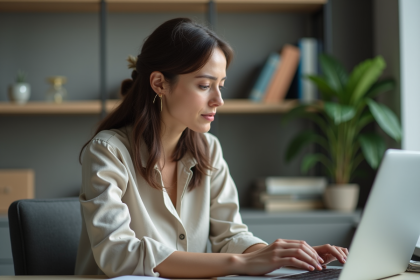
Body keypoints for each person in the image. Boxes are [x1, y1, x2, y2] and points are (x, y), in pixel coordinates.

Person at [74, 17, 348, 278]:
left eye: (221, 86)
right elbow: (118, 253)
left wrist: (282, 255)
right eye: (205, 85)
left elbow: (230, 236)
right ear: (159, 84)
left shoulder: (209, 150)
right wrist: (242, 262)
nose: (219, 100)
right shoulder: (107, 152)